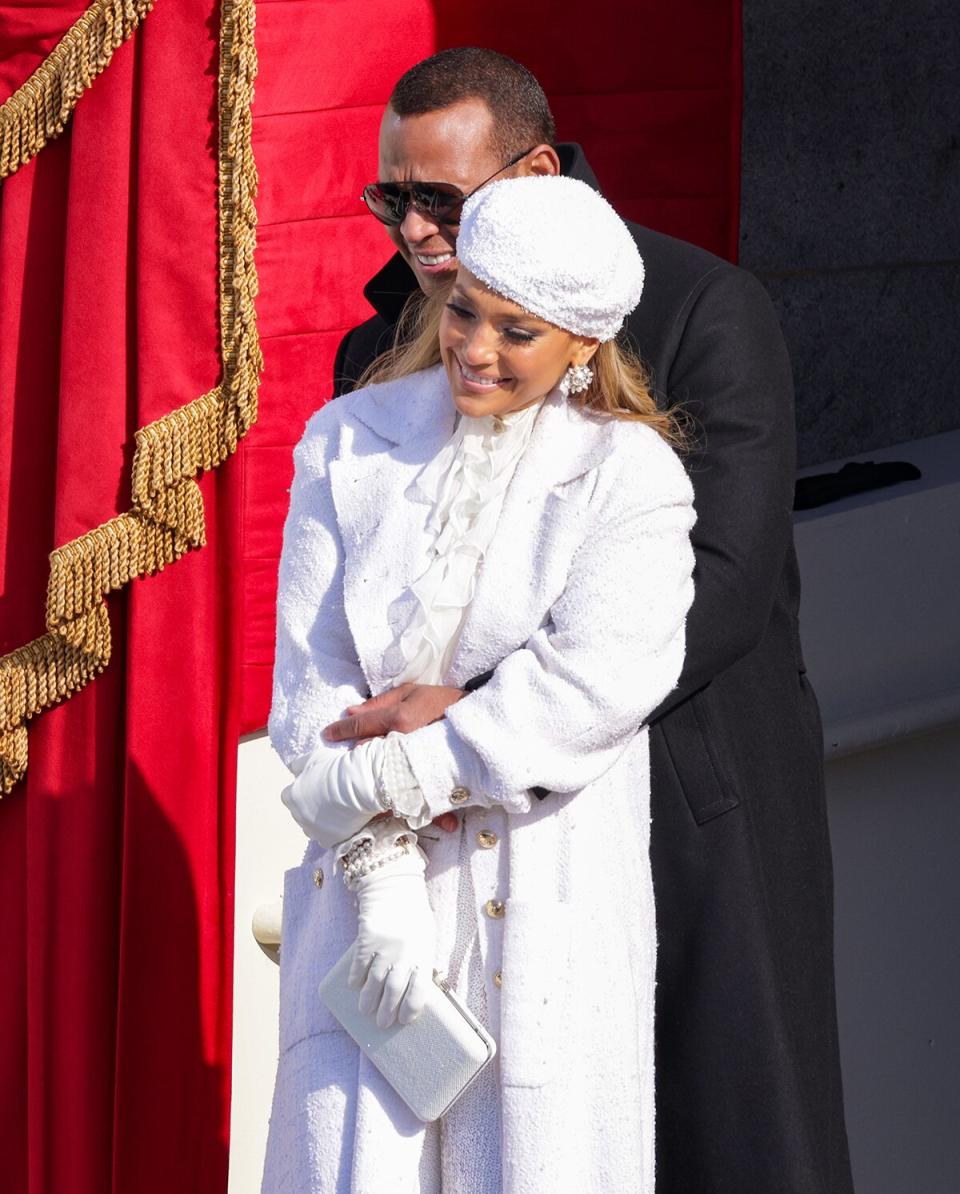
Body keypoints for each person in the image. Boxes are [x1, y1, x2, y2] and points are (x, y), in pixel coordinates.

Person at [330, 47, 853, 1194]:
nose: (416, 232)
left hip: (689, 799)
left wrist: (480, 714)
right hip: (461, 822)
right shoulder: (374, 354)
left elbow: (721, 580)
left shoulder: (705, 307)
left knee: (731, 1140)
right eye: (393, 199)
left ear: (537, 168)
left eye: (443, 201)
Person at [263, 175, 695, 1192]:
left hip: (548, 908)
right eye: (466, 310)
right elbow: (308, 691)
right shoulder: (345, 441)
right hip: (366, 916)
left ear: (583, 344)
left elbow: (592, 686)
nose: (476, 348)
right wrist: (383, 887)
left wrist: (388, 776)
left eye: (517, 330)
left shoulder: (631, 478)